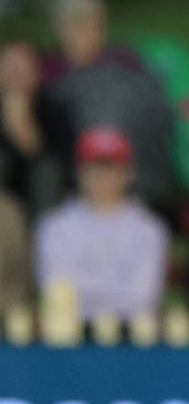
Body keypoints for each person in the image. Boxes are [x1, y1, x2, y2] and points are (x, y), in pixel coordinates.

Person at [42, 0, 175, 205]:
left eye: (89, 23)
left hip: (129, 152)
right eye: (73, 23)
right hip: (66, 155)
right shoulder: (48, 69)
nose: (82, 31)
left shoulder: (123, 61)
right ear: (59, 29)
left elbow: (156, 110)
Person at [34, 126, 168, 321]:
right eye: (94, 167)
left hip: (132, 341)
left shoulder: (150, 229)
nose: (102, 176)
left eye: (111, 167)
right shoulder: (53, 227)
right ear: (78, 171)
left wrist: (86, 294)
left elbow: (143, 298)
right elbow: (55, 292)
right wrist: (114, 292)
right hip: (68, 339)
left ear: (129, 173)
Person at [1, 38, 70, 218]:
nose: (16, 72)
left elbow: (57, 164)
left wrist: (21, 125)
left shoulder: (53, 109)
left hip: (39, 202)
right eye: (9, 64)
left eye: (22, 64)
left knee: (46, 170)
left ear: (36, 71)